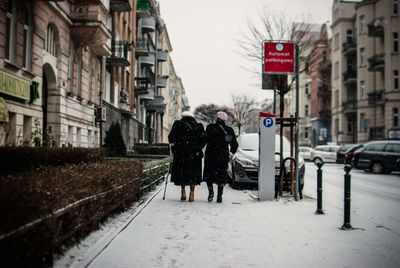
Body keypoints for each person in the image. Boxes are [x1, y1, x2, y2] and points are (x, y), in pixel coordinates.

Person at [168, 111, 205, 202]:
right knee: (193, 174)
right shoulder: (199, 126)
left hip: (181, 154)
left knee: (182, 173)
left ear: (183, 116)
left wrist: (178, 144)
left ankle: (183, 192)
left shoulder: (177, 124)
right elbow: (203, 140)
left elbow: (171, 138)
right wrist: (197, 147)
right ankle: (192, 194)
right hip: (194, 155)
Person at [203, 111, 238, 203]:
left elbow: (205, 139)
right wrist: (231, 153)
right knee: (221, 175)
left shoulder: (210, 128)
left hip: (211, 155)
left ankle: (211, 192)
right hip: (223, 155)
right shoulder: (229, 130)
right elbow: (234, 144)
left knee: (209, 174)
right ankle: (219, 196)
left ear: (217, 118)